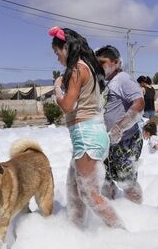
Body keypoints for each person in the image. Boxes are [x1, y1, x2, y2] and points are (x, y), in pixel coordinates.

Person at [49, 27, 124, 229]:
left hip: (87, 136)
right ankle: (77, 232)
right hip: (89, 135)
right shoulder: (86, 67)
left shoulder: (76, 69)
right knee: (74, 191)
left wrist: (57, 88)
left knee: (88, 194)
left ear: (66, 47)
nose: (57, 59)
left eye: (57, 53)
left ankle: (121, 232)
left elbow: (67, 105)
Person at [95, 45, 145, 204]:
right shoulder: (104, 82)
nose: (100, 66)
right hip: (108, 141)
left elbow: (139, 103)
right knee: (105, 180)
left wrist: (119, 127)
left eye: (103, 62)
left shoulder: (123, 79)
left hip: (127, 140)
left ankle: (138, 213)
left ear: (115, 62)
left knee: (126, 181)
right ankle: (114, 210)